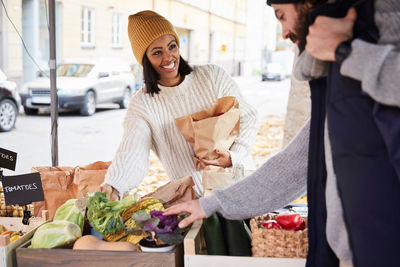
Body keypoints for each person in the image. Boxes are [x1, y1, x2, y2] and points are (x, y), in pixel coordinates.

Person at [164, 1, 400, 267]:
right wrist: (213, 203)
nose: (285, 32)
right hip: (357, 253)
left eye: (281, 15)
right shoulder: (334, 72)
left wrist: (347, 52)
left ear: (308, 4)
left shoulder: (374, 31)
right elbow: (297, 162)